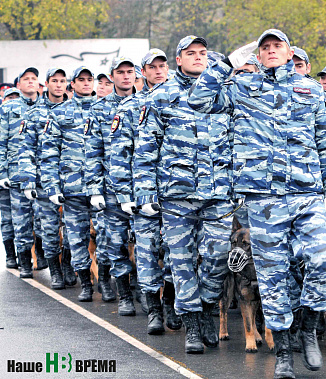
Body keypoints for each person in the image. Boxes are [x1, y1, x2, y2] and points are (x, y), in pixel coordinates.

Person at [188, 29, 326, 377]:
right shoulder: (242, 88)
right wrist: (228, 62)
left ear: (290, 54)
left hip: (306, 194)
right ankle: (284, 350)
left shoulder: (311, 91)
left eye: (278, 46)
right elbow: (198, 101)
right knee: (273, 277)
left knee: (321, 260)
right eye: (265, 48)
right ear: (256, 56)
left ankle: (308, 326)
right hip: (263, 199)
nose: (271, 51)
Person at [134, 35, 233, 354]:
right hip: (176, 195)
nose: (198, 58)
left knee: (217, 257)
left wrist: (239, 180)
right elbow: (146, 148)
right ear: (178, 59)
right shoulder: (161, 96)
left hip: (217, 193)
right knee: (182, 261)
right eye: (191, 54)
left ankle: (206, 309)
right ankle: (192, 324)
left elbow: (241, 137)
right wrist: (146, 190)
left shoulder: (222, 94)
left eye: (203, 53)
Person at [109, 48, 181, 334]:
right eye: (153, 67)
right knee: (148, 251)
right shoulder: (130, 107)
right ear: (144, 71)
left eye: (163, 65)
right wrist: (125, 196)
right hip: (143, 195)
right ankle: (153, 310)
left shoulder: (182, 100)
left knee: (177, 253)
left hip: (177, 193)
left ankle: (172, 305)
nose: (159, 70)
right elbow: (119, 155)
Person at [42, 66, 103, 301]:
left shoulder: (104, 110)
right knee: (77, 239)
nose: (86, 83)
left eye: (90, 79)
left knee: (107, 237)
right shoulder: (59, 113)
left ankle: (105, 281)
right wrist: (52, 187)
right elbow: (49, 154)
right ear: (73, 84)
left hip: (101, 188)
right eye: (81, 80)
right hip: (72, 188)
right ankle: (85, 283)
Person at [85, 57, 136, 311]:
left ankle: (150, 295)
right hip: (112, 186)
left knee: (150, 245)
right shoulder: (99, 109)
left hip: (143, 186)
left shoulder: (146, 103)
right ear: (111, 76)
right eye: (120, 72)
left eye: (130, 72)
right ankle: (124, 295)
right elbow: (92, 150)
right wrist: (95, 189)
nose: (125, 77)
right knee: (114, 243)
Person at [20, 68, 72, 289]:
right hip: (44, 182)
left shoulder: (74, 110)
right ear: (47, 84)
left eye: (62, 81)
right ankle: (55, 270)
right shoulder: (33, 114)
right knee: (49, 229)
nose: (59, 85)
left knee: (72, 230)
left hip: (72, 180)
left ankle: (68, 264)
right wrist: (27, 181)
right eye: (54, 81)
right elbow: (26, 149)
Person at [0, 67, 42, 277]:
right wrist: (2, 173)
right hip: (17, 174)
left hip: (44, 176)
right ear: (18, 85)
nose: (31, 82)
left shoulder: (46, 107)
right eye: (26, 79)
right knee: (20, 220)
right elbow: (1, 142)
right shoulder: (8, 108)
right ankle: (24, 260)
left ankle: (43, 256)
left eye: (34, 78)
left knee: (43, 220)